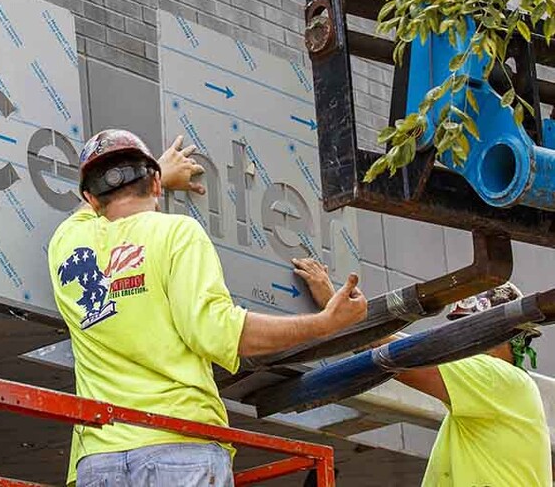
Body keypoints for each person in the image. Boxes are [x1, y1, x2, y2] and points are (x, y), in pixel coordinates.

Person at [49, 129, 368, 487]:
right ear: (154, 184)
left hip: (98, 460)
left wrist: (155, 174)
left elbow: (87, 207)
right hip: (179, 442)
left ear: (92, 199)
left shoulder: (67, 244)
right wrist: (325, 323)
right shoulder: (177, 233)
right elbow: (218, 333)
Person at [294, 258, 552, 487]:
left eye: (466, 329)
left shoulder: (497, 378)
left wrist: (339, 314)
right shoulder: (489, 398)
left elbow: (405, 357)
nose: (455, 342)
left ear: (498, 334)